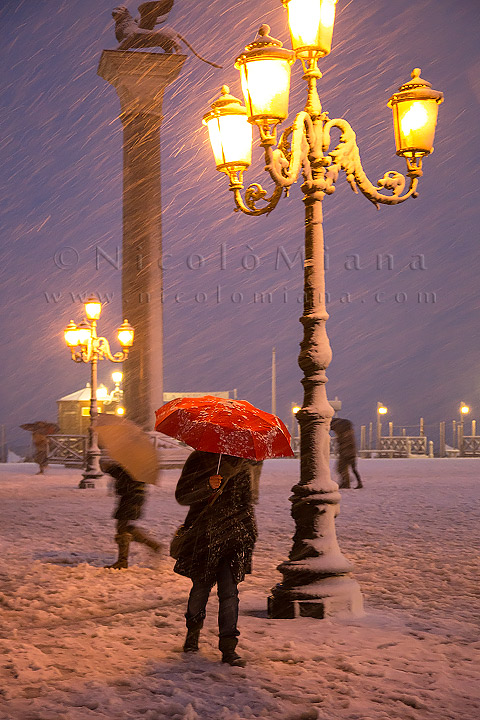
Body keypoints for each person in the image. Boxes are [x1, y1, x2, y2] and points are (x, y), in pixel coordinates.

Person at [173, 450, 258, 667]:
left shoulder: (242, 462)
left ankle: (229, 648)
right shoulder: (198, 459)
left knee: (229, 593)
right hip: (205, 535)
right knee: (200, 588)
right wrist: (207, 488)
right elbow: (182, 495)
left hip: (234, 536)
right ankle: (192, 635)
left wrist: (249, 533)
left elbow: (246, 501)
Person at [103, 462, 162, 569]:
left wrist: (111, 468)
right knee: (124, 527)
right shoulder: (137, 462)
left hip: (131, 497)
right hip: (133, 496)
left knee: (122, 527)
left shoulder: (133, 463)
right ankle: (151, 545)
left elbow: (125, 477)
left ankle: (123, 561)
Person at [330, 418, 363, 489]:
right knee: (353, 468)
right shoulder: (348, 431)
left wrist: (342, 449)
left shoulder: (342, 433)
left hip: (345, 453)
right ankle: (355, 482)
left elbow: (344, 443)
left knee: (341, 468)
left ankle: (346, 482)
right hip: (351, 452)